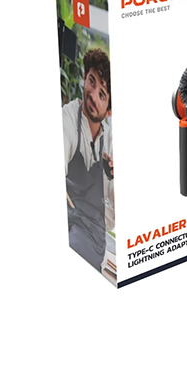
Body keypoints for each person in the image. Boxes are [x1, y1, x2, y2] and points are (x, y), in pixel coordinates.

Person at [62, 48, 114, 273]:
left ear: (109, 111)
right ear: (84, 78)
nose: (93, 95)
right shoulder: (68, 118)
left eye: (102, 95)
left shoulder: (111, 142)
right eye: (91, 81)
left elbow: (113, 217)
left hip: (91, 235)